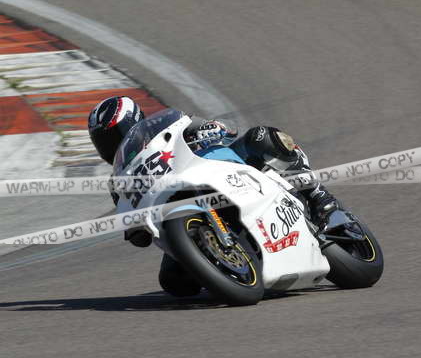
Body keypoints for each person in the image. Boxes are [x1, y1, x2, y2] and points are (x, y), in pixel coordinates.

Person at [88, 97, 340, 295]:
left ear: (133, 121)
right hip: (178, 213)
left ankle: (317, 195)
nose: (109, 144)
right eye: (102, 140)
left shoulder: (166, 127)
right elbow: (138, 235)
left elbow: (226, 128)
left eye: (113, 134)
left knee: (262, 137)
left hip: (223, 171)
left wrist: (211, 129)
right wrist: (135, 227)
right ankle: (225, 261)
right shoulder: (119, 182)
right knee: (174, 283)